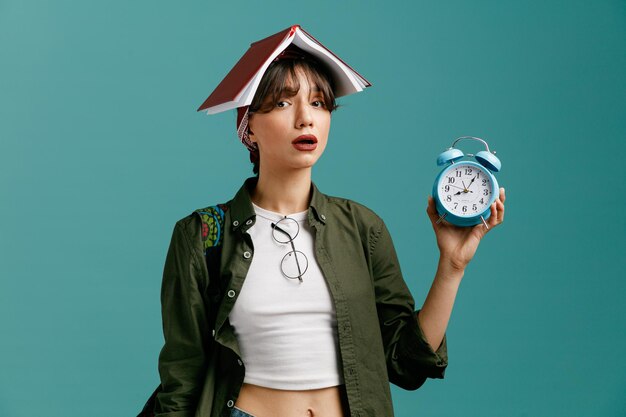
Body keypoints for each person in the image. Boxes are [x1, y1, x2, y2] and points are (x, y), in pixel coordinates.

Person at [152, 30, 505, 417]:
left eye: (319, 103)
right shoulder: (202, 235)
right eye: (283, 102)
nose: (306, 118)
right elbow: (182, 377)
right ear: (249, 126)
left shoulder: (362, 228)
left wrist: (452, 266)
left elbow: (408, 363)